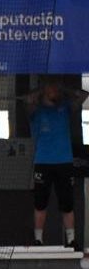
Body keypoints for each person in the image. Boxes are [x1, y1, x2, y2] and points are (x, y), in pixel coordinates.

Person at [26, 77, 87, 249]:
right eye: (50, 88)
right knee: (40, 202)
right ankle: (38, 239)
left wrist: (63, 89)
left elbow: (83, 96)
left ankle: (71, 239)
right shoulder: (36, 110)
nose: (54, 91)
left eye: (55, 88)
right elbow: (28, 101)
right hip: (43, 162)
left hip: (64, 162)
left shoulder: (65, 107)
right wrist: (43, 90)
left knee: (67, 203)